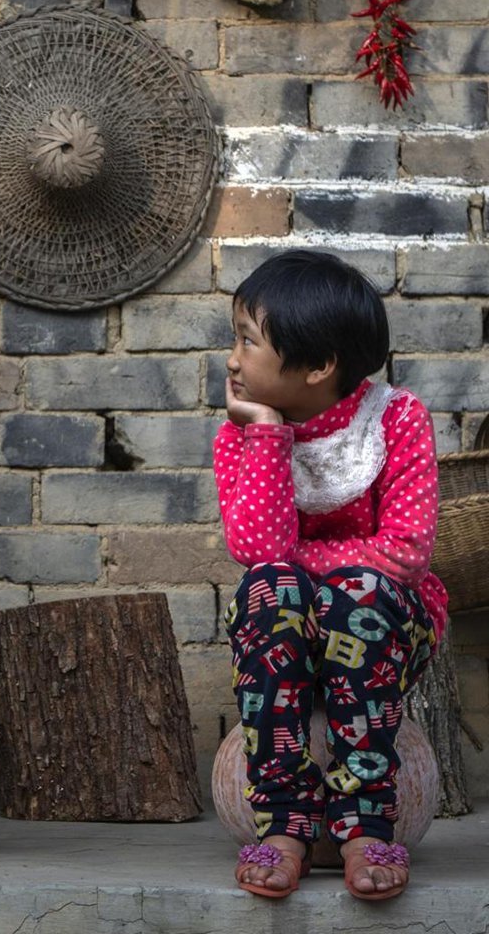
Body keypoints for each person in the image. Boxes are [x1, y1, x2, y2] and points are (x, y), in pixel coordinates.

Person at [214, 249, 447, 901]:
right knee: (268, 590)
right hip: (285, 627)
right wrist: (265, 435)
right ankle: (285, 822)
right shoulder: (241, 434)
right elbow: (258, 552)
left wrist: (312, 572)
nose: (232, 359)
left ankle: (366, 824)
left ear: (317, 367)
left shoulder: (396, 421)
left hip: (388, 625)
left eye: (247, 341)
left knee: (360, 593)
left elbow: (404, 554)